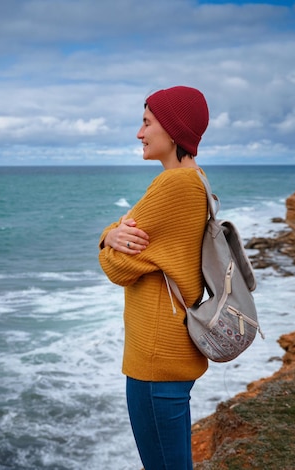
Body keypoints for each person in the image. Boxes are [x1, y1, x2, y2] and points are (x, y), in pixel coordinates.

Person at [98, 86, 210, 469]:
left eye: (146, 123)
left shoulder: (172, 185)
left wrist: (107, 238)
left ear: (173, 129)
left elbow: (116, 266)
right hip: (176, 351)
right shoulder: (198, 181)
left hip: (156, 358)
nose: (139, 133)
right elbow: (127, 237)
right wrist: (112, 233)